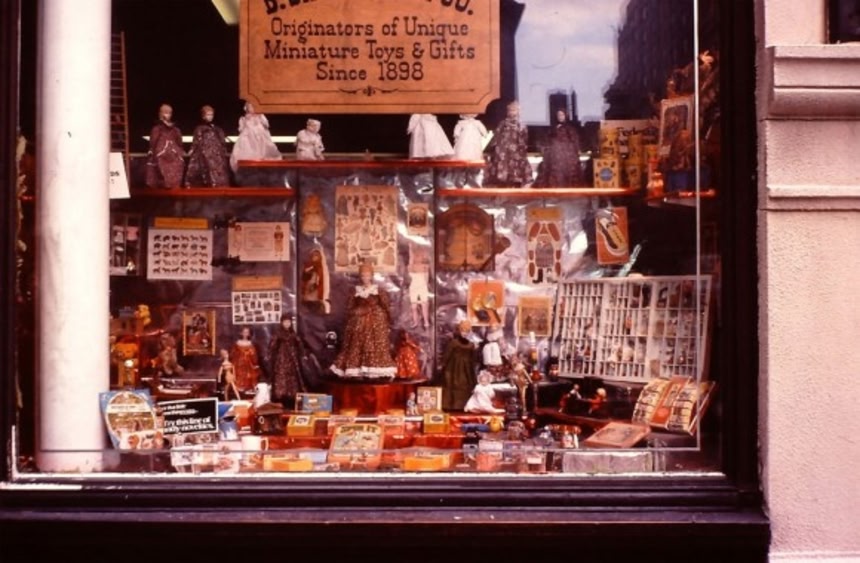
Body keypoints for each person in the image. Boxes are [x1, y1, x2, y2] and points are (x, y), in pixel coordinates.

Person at [330, 263, 397, 380]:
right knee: (357, 341)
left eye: (367, 275)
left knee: (376, 343)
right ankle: (358, 369)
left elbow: (386, 306)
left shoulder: (378, 291)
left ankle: (376, 369)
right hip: (359, 320)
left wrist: (386, 319)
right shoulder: (356, 291)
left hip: (376, 320)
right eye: (363, 276)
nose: (365, 278)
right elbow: (350, 307)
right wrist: (357, 312)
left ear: (371, 276)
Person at [485, 101, 533, 187]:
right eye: (510, 110)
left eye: (514, 110)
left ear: (518, 111)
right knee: (502, 173)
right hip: (503, 151)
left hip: (516, 152)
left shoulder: (521, 124)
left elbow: (524, 139)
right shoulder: (503, 123)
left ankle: (516, 183)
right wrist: (495, 147)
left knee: (515, 172)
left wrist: (521, 149)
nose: (512, 112)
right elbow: (496, 136)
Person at [184, 104, 231, 187]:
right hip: (204, 153)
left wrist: (224, 150)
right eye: (208, 115)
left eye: (211, 115)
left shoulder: (217, 129)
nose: (210, 117)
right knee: (206, 169)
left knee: (218, 169)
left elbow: (222, 141)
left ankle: (218, 184)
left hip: (216, 154)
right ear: (203, 116)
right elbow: (196, 141)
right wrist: (191, 150)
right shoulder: (200, 129)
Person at [229, 101, 281, 172]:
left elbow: (266, 124)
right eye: (249, 106)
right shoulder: (244, 119)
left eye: (253, 106)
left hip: (260, 139)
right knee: (245, 151)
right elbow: (241, 129)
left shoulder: (260, 116)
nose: (252, 108)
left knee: (264, 151)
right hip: (248, 140)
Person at [535, 108, 582, 187]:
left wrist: (575, 152)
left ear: (566, 115)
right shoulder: (553, 129)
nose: (560, 117)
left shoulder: (570, 129)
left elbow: (575, 142)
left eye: (562, 115)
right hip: (555, 159)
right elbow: (547, 141)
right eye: (558, 115)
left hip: (568, 159)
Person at [267, 313, 305, 407]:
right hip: (281, 360)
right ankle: (280, 398)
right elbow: (272, 345)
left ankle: (291, 398)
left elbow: (300, 344)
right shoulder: (278, 333)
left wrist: (302, 354)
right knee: (281, 378)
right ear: (281, 322)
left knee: (292, 380)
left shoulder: (293, 333)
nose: (287, 324)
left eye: (289, 322)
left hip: (292, 360)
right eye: (285, 322)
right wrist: (269, 354)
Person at [145, 103, 185, 188]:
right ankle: (163, 183)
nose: (167, 115)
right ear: (160, 114)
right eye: (165, 112)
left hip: (173, 150)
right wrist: (151, 149)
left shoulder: (175, 129)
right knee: (159, 161)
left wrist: (180, 150)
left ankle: (173, 184)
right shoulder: (157, 129)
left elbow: (179, 141)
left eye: (169, 113)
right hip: (161, 151)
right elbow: (153, 140)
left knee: (179, 162)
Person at [441, 319, 477, 410]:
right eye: (463, 331)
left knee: (465, 385)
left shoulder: (471, 345)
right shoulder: (454, 343)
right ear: (459, 331)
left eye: (467, 331)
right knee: (452, 384)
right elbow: (447, 354)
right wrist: (444, 365)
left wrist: (472, 369)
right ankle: (451, 405)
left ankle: (464, 405)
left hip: (466, 368)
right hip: (453, 367)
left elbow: (473, 358)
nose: (464, 333)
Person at [229, 326, 262, 393]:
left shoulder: (250, 344)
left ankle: (247, 389)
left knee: (248, 376)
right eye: (244, 332)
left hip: (248, 364)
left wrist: (252, 359)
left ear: (249, 334)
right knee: (239, 376)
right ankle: (238, 389)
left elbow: (254, 355)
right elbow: (232, 354)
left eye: (247, 332)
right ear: (241, 333)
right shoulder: (237, 343)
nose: (245, 334)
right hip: (238, 364)